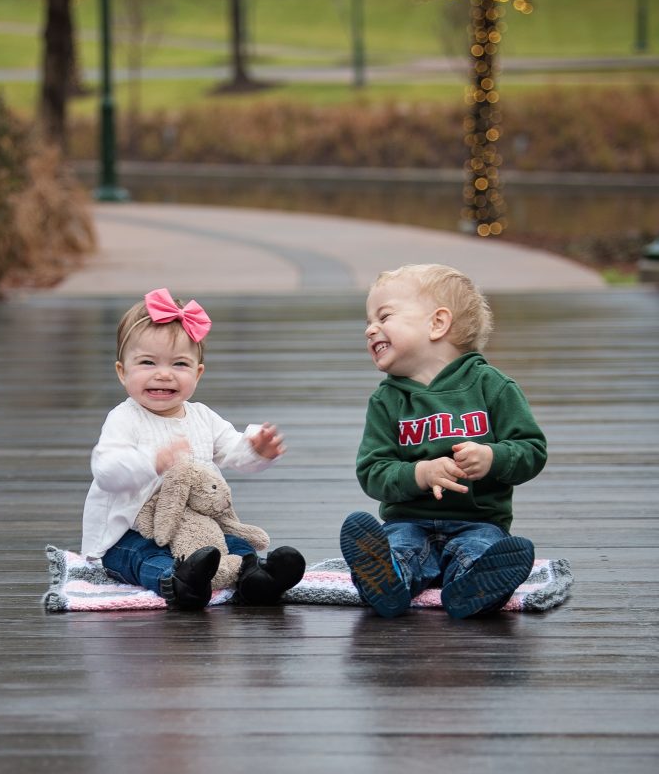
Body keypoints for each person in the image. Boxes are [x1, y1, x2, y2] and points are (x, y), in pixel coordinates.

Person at [340, 264, 547, 620]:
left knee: (480, 551)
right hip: (408, 520)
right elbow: (373, 472)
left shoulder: (492, 387)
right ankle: (386, 582)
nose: (369, 329)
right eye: (368, 321)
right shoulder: (387, 400)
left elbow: (531, 450)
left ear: (437, 323)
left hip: (478, 521)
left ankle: (473, 588)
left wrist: (492, 457)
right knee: (399, 549)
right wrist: (420, 473)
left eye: (384, 316)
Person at [82, 287, 305, 609]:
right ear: (122, 372)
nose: (163, 374)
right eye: (147, 362)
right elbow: (106, 471)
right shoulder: (124, 419)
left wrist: (256, 451)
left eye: (179, 364)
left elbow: (232, 450)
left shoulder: (202, 416)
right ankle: (178, 580)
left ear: (198, 374)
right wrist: (150, 462)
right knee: (140, 557)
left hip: (197, 529)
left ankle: (257, 580)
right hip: (131, 530)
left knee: (235, 545)